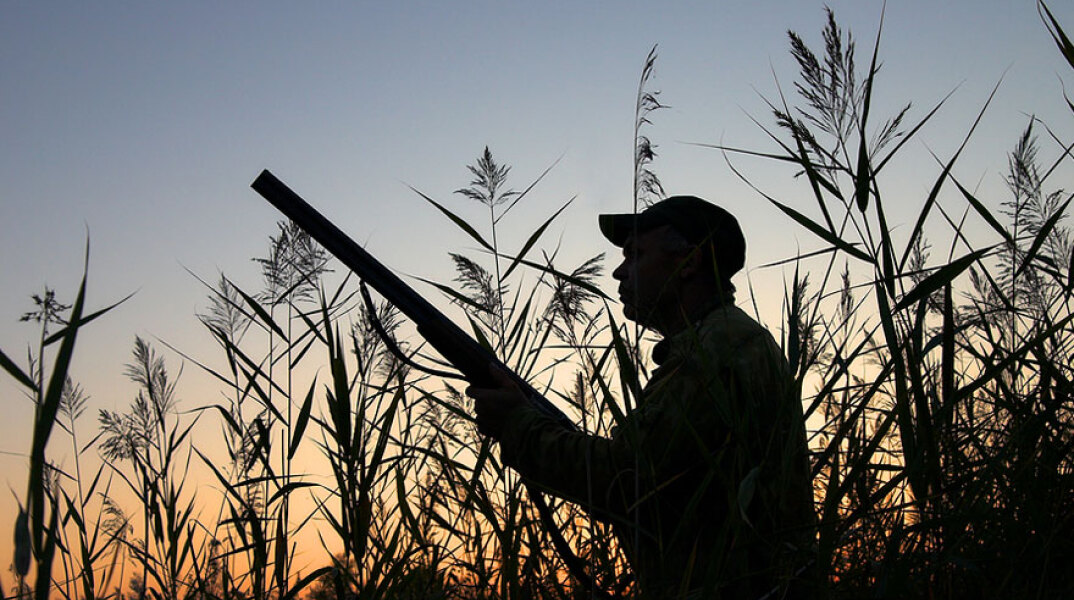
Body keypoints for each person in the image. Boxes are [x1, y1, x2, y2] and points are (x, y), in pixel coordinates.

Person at [467, 196, 816, 599]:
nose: (619, 271)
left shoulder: (715, 350)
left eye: (635, 254)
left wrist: (519, 425)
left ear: (688, 263)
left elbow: (629, 479)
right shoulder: (727, 339)